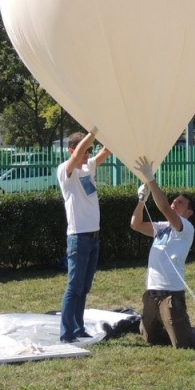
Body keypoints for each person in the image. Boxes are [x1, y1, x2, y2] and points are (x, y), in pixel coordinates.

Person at [130, 156, 195, 348]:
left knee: (184, 344)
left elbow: (162, 207)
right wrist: (141, 201)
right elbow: (135, 224)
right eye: (174, 201)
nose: (173, 204)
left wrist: (150, 179)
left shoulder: (186, 227)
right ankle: (169, 325)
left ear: (188, 213)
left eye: (180, 203)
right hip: (152, 291)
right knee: (149, 338)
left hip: (171, 293)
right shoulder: (162, 227)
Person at [56, 129, 112, 343]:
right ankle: (66, 333)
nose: (87, 154)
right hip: (78, 237)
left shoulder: (89, 167)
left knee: (84, 287)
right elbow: (78, 153)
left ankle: (78, 329)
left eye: (89, 151)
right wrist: (95, 129)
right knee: (74, 286)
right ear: (72, 151)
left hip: (93, 237)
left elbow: (107, 149)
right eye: (84, 150)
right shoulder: (65, 171)